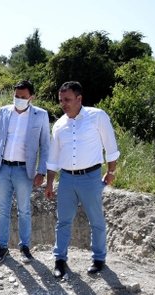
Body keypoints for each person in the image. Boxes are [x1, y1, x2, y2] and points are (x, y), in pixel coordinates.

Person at [45, 81, 120, 278]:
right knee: (63, 221)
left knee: (96, 220)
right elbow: (53, 157)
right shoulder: (59, 125)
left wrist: (111, 171)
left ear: (79, 99)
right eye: (61, 100)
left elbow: (110, 146)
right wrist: (50, 182)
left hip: (91, 177)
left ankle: (99, 259)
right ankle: (60, 260)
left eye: (67, 99)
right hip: (67, 179)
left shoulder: (97, 116)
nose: (63, 104)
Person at [0, 79, 50, 265]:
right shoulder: (4, 112)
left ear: (31, 97)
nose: (19, 99)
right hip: (3, 168)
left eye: (23, 97)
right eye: (16, 96)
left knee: (24, 210)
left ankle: (25, 247)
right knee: (3, 209)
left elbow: (45, 145)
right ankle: (2, 247)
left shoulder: (40, 115)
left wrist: (42, 171)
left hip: (24, 170)